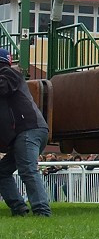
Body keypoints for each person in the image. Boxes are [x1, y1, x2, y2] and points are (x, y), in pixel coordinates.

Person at [0, 49, 52, 217]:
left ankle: (42, 211)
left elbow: (2, 88)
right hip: (28, 131)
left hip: (28, 130)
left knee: (28, 170)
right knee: (2, 172)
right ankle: (19, 208)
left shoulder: (9, 73)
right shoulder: (10, 73)